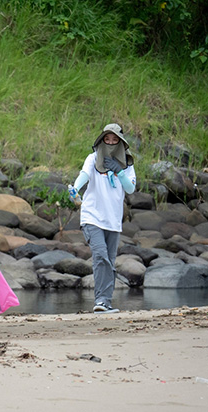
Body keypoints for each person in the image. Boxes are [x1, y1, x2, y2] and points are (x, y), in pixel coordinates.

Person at [68, 123, 136, 314]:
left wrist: (119, 171)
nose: (111, 143)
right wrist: (75, 188)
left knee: (109, 261)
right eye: (107, 139)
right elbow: (84, 175)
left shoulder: (127, 165)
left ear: (120, 142)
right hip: (92, 216)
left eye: (115, 140)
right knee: (100, 256)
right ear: (101, 140)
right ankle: (101, 300)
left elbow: (130, 188)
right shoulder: (92, 158)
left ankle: (104, 302)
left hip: (113, 221)